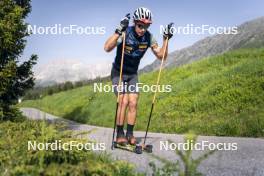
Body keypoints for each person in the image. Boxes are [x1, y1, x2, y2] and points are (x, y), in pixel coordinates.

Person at [104, 7, 173, 145]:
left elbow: (161, 56)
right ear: (135, 23)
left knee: (133, 103)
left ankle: (129, 134)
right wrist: (118, 31)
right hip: (119, 72)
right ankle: (119, 133)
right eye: (140, 25)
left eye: (146, 26)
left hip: (132, 74)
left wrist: (166, 39)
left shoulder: (149, 37)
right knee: (123, 101)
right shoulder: (125, 33)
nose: (143, 29)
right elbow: (107, 48)